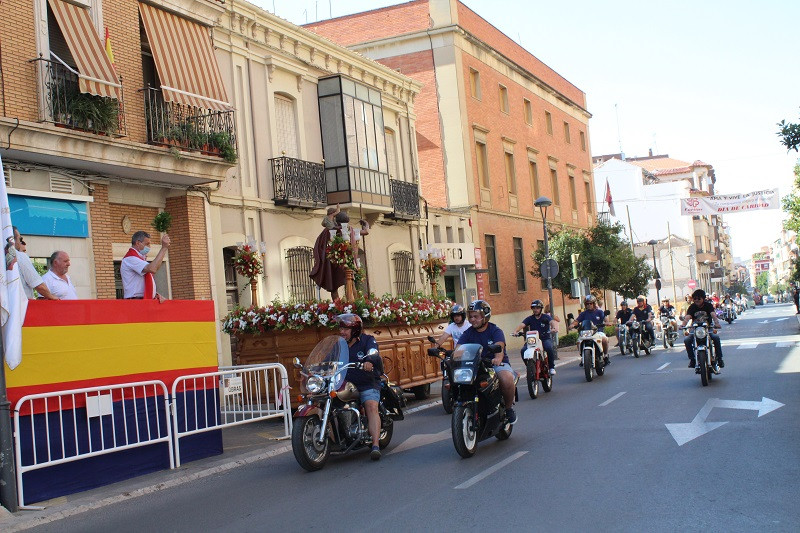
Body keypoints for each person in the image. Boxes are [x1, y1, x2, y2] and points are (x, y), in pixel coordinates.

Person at [458, 300, 517, 424]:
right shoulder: (468, 333)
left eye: (476, 316)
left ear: (485, 316)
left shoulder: (495, 331)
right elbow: (458, 348)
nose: (472, 319)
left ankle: (508, 409)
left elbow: (499, 347)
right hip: (475, 366)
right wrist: (453, 357)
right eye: (471, 316)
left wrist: (497, 358)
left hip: (494, 364)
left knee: (506, 379)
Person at [336, 313, 384, 460]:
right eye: (341, 328)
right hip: (344, 384)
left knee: (370, 406)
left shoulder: (367, 340)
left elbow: (373, 352)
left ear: (355, 330)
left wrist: (369, 360)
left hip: (366, 382)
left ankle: (375, 445)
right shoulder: (338, 344)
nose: (342, 332)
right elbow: (327, 358)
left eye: (345, 329)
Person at [121, 230, 170, 300]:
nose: (149, 247)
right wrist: (164, 248)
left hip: (143, 299)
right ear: (138, 243)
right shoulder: (130, 258)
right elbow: (153, 268)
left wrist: (154, 294)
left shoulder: (140, 259)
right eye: (147, 244)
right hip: (135, 301)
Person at [680, 289, 724, 368]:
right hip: (695, 328)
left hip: (708, 327)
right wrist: (683, 325)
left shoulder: (708, 305)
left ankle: (719, 358)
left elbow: (713, 314)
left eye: (699, 298)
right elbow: (688, 317)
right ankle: (692, 359)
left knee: (716, 337)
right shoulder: (692, 307)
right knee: (687, 340)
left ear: (703, 298)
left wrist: (717, 324)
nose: (697, 300)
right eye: (695, 298)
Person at [513, 299, 558, 375]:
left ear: (541, 309)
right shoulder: (530, 318)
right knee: (523, 350)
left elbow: (552, 322)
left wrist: (554, 328)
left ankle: (551, 367)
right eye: (534, 308)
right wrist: (515, 331)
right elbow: (522, 324)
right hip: (532, 340)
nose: (535, 310)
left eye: (537, 308)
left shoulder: (545, 317)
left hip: (544, 338)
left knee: (548, 347)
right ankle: (530, 367)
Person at [12, 227, 57, 300]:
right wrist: (53, 297)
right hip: (20, 306)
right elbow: (38, 285)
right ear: (12, 240)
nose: (20, 242)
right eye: (20, 239)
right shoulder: (19, 256)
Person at [571, 295, 610, 364]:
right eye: (587, 304)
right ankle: (583, 357)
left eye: (590, 303)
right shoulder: (583, 313)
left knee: (605, 339)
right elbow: (577, 321)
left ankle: (606, 355)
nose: (589, 305)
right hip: (586, 332)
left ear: (594, 304)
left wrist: (607, 322)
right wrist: (572, 324)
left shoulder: (599, 312)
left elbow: (605, 319)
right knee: (579, 341)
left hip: (598, 332)